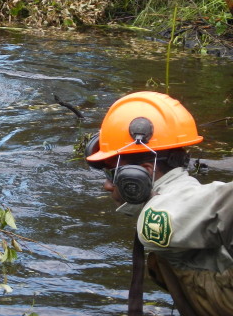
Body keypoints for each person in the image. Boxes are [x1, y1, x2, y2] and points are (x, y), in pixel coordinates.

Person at [85, 91, 233, 316]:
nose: (107, 185)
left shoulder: (162, 212)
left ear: (143, 172)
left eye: (112, 174)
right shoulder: (184, 196)